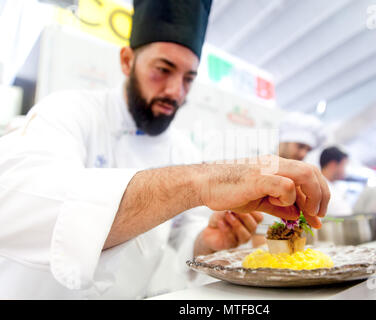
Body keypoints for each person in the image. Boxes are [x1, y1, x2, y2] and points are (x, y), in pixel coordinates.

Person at [0, 0, 330, 299]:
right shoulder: (70, 112)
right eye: (163, 69)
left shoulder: (181, 149)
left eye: (188, 78)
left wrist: (208, 242)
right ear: (127, 61)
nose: (175, 91)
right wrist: (202, 182)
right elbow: (17, 202)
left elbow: (178, 242)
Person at [251, 111, 327, 248]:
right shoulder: (261, 171)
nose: (303, 154)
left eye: (308, 150)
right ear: (284, 141)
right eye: (300, 146)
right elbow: (259, 240)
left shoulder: (301, 182)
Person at [319, 146, 352, 216]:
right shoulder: (319, 187)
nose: (345, 171)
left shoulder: (335, 187)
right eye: (344, 165)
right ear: (333, 165)